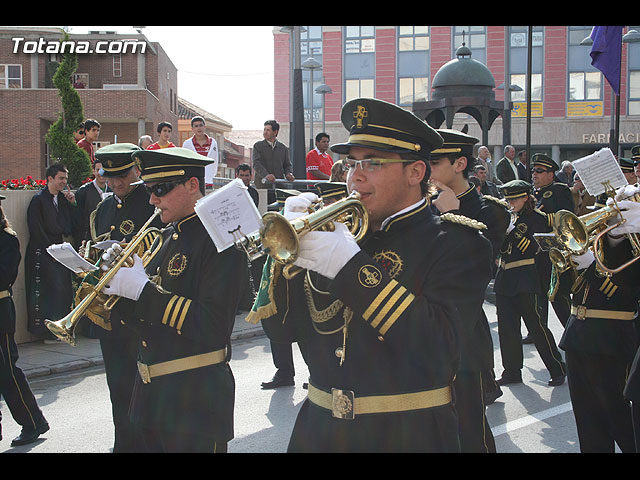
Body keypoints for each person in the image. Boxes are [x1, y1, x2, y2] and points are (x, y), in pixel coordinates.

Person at [256, 98, 493, 452]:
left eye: (373, 163)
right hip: (318, 432)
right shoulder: (339, 235)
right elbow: (281, 329)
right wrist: (287, 259)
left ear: (415, 172)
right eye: (352, 163)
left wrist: (348, 266)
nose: (356, 175)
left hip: (406, 435)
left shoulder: (457, 242)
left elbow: (439, 351)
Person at [102, 146, 245, 453]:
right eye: (151, 190)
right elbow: (146, 318)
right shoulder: (166, 236)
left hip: (195, 403)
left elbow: (212, 325)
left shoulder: (221, 243)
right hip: (151, 400)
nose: (153, 199)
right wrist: (118, 291)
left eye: (161, 189)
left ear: (193, 185)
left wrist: (142, 291)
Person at [428, 128, 509, 452]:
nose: (426, 168)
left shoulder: (490, 211)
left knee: (470, 429)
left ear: (460, 163)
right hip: (424, 335)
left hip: (463, 337)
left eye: (434, 161)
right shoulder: (424, 207)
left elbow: (479, 268)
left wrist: (452, 215)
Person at [85, 143, 165, 453]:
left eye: (122, 176)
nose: (116, 184)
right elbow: (96, 248)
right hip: (111, 317)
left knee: (144, 388)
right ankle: (124, 445)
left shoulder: (152, 203)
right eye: (110, 177)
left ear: (137, 171)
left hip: (140, 312)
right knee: (117, 388)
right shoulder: (103, 209)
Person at [558, 183, 640, 452]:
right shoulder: (596, 239)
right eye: (616, 204)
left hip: (612, 339)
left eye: (626, 206)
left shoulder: (636, 248)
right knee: (588, 423)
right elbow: (572, 290)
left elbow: (624, 295)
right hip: (579, 336)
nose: (615, 212)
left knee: (619, 418)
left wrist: (593, 268)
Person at [494, 180, 567, 388]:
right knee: (507, 329)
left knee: (536, 326)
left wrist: (511, 230)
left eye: (514, 199)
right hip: (505, 277)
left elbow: (530, 247)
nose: (510, 203)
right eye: (508, 199)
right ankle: (512, 371)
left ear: (526, 197)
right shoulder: (507, 217)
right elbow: (498, 247)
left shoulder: (537, 218)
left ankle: (557, 368)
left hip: (525, 276)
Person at [0, 195, 50, 446]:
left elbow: (5, 275)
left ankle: (33, 422)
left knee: (7, 372)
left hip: (0, 311)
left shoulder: (7, 239)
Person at [24, 163, 75, 342]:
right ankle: (45, 332)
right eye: (61, 178)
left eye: (65, 179)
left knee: (62, 290)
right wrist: (50, 252)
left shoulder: (62, 199)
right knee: (46, 292)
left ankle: (58, 329)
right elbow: (36, 229)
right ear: (50, 179)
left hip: (58, 251)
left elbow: (68, 226)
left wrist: (71, 203)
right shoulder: (38, 200)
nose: (64, 182)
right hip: (42, 252)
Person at [530, 153, 574, 333]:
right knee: (538, 294)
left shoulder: (560, 190)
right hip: (538, 251)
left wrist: (538, 216)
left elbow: (567, 218)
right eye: (534, 171)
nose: (535, 174)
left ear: (551, 174)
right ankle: (539, 331)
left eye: (539, 171)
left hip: (555, 251)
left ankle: (573, 331)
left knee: (558, 295)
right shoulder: (534, 193)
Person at [72, 160, 110, 248]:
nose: (101, 173)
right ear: (93, 171)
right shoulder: (83, 191)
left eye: (104, 170)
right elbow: (78, 217)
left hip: (106, 237)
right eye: (98, 170)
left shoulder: (113, 190)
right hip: (88, 238)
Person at [252, 120, 294, 189]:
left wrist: (288, 174)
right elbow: (256, 164)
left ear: (275, 132)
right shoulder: (258, 146)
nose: (265, 132)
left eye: (268, 130)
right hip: (262, 185)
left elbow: (287, 165)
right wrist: (266, 175)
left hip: (278, 185)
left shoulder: (283, 148)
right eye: (264, 130)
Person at [182, 116, 219, 185]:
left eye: (200, 125)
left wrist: (211, 176)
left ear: (204, 127)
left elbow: (215, 161)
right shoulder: (187, 144)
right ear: (192, 129)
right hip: (193, 182)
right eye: (196, 126)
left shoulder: (213, 143)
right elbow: (184, 163)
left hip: (209, 181)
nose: (199, 128)